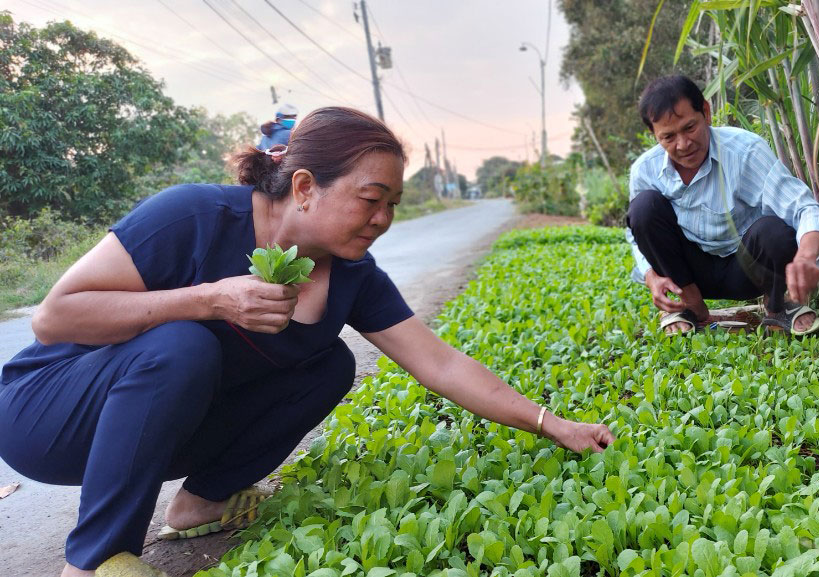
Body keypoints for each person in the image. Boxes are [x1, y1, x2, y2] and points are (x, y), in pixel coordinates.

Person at [0, 107, 615, 577]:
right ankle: (94, 562)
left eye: (393, 205)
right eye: (370, 199)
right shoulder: (192, 217)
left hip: (155, 429)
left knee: (329, 366)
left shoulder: (352, 276)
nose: (382, 219)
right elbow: (55, 318)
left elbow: (439, 362)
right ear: (303, 187)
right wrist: (208, 299)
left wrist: (550, 424)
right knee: (183, 345)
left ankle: (199, 504)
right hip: (47, 411)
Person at [625, 75, 819, 335]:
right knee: (643, 208)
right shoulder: (645, 170)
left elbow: (805, 209)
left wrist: (806, 257)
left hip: (746, 271)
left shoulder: (745, 151)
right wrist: (650, 275)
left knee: (774, 231)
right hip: (689, 274)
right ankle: (691, 306)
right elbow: (637, 233)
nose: (683, 144)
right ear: (654, 135)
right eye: (668, 137)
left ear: (706, 112)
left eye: (690, 128)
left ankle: (778, 307)